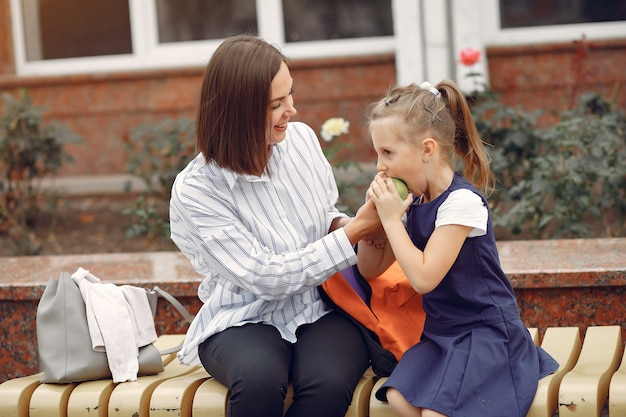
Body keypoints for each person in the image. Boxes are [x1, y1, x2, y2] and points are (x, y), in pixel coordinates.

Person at [169, 35, 382, 417]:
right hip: (242, 317)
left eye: (291, 96)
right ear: (238, 111)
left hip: (321, 305)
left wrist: (358, 225)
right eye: (276, 104)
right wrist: (353, 233)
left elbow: (324, 217)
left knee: (329, 383)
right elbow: (263, 275)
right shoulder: (197, 189)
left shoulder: (301, 141)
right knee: (258, 379)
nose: (293, 111)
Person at [357, 80, 559, 417]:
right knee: (398, 397)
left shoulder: (461, 203)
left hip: (484, 336)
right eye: (378, 153)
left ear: (427, 149)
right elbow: (370, 268)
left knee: (438, 413)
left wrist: (393, 223)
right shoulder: (416, 200)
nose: (381, 166)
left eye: (388, 153)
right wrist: (370, 225)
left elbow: (423, 278)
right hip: (442, 336)